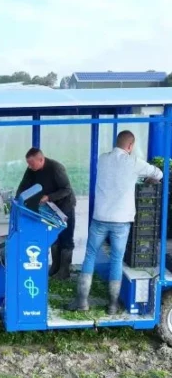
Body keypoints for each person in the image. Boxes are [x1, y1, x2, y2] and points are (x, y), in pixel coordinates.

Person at [70, 130, 163, 314]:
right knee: (116, 260)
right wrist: (148, 178)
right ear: (130, 146)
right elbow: (158, 174)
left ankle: (82, 302)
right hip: (121, 221)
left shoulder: (103, 159)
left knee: (90, 255)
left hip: (100, 218)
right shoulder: (134, 162)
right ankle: (112, 305)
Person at [16, 147, 76, 279]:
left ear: (41, 159)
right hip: (50, 207)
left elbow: (66, 189)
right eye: (28, 164)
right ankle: (55, 266)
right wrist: (17, 201)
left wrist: (49, 197)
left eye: (32, 164)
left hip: (65, 206)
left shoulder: (56, 168)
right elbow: (23, 185)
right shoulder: (31, 170)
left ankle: (64, 271)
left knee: (66, 238)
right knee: (53, 236)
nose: (30, 167)